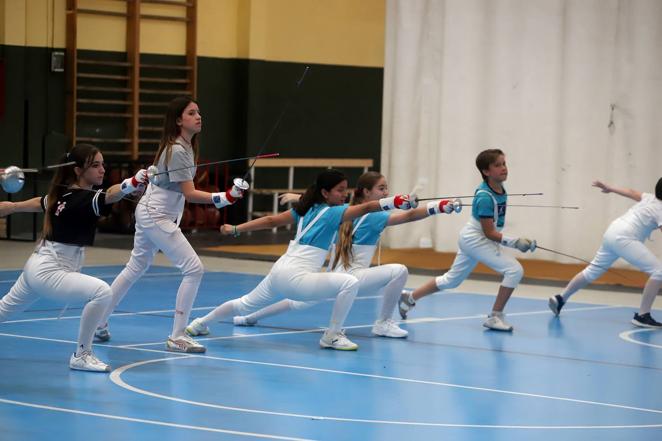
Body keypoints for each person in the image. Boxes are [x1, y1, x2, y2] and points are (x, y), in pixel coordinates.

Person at [185, 169, 416, 350]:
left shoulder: (305, 209)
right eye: (339, 190)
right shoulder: (335, 212)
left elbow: (270, 221)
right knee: (350, 282)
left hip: (279, 270)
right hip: (297, 277)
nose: (344, 195)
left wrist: (235, 228)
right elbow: (368, 206)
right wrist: (396, 201)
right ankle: (332, 335)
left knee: (243, 303)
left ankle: (199, 323)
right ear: (325, 193)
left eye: (346, 190)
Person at [94, 96, 249, 353]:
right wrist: (225, 197)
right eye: (191, 113)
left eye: (199, 112)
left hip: (151, 210)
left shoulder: (183, 146)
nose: (198, 116)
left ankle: (99, 322)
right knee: (194, 269)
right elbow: (189, 193)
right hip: (157, 214)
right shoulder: (177, 150)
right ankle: (177, 335)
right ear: (178, 120)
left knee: (135, 267)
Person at [232, 171, 460, 338]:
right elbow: (409, 216)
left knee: (300, 302)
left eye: (386, 188)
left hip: (336, 273)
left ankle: (249, 317)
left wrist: (296, 196)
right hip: (353, 276)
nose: (386, 192)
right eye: (381, 189)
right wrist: (438, 207)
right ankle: (383, 322)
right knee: (399, 271)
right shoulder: (372, 215)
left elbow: (319, 202)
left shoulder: (339, 211)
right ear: (366, 193)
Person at [0, 143, 148, 372]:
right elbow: (111, 194)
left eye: (103, 165)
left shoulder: (63, 194)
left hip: (37, 266)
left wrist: (11, 207)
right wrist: (133, 182)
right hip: (50, 271)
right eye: (95, 165)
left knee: (3, 311)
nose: (102, 170)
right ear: (78, 170)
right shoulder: (81, 197)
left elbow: (38, 203)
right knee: (102, 292)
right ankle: (82, 354)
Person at [398, 148, 536, 331]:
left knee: (452, 280)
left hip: (476, 238)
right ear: (486, 171)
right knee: (514, 270)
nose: (504, 168)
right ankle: (495, 316)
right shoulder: (485, 197)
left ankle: (410, 297)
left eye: (504, 163)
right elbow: (489, 233)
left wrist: (517, 242)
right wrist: (516, 242)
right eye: (498, 165)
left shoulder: (500, 188)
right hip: (476, 240)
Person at [549, 179, 662, 327]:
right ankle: (642, 315)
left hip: (613, 231)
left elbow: (631, 192)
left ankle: (560, 298)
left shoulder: (649, 198)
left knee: (593, 270)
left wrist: (610, 188)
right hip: (625, 237)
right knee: (659, 271)